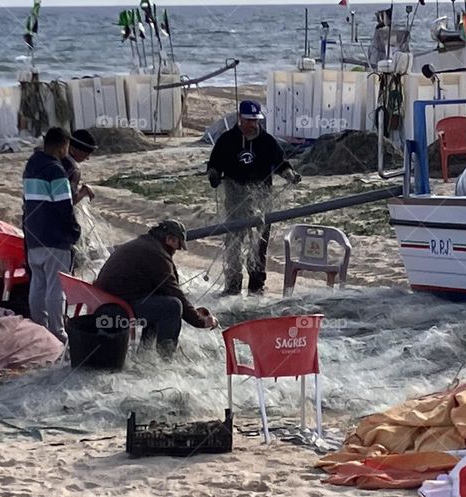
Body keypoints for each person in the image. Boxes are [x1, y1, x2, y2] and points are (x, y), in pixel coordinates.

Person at [207, 100, 302, 295]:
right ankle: (233, 285)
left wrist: (291, 176)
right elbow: (214, 164)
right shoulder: (227, 140)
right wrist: (214, 175)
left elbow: (281, 164)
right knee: (233, 242)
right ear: (240, 118)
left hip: (261, 197)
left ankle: (256, 285)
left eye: (255, 120)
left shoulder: (267, 141)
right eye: (249, 120)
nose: (253, 124)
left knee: (259, 243)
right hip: (234, 197)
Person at [94, 219, 218, 357]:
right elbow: (174, 293)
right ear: (170, 239)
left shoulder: (146, 244)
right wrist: (200, 321)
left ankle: (144, 353)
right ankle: (164, 359)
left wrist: (192, 312)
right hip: (116, 307)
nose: (176, 251)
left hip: (106, 299)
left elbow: (168, 286)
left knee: (159, 301)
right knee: (172, 306)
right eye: (178, 246)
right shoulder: (156, 254)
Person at [22, 127, 81, 342]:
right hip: (55, 239)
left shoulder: (31, 166)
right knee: (57, 287)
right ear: (62, 145)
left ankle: (40, 331)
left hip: (34, 236)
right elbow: (64, 207)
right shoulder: (56, 171)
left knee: (38, 284)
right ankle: (57, 333)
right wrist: (74, 231)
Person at [62, 129, 97, 205]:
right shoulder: (73, 169)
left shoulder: (54, 160)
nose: (87, 158)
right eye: (86, 154)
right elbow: (71, 200)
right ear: (73, 149)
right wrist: (84, 190)